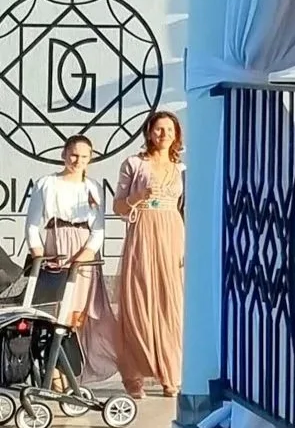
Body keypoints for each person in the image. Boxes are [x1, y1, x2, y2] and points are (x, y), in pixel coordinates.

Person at [22, 134, 121, 389]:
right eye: (74, 154)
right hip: (55, 248)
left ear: (91, 159)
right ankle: (51, 371)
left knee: (74, 317)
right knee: (54, 313)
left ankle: (69, 372)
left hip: (83, 253)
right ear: (64, 154)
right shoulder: (47, 183)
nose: (78, 160)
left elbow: (98, 229)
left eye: (84, 156)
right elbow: (33, 225)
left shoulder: (93, 187)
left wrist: (82, 257)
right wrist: (40, 256)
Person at [113, 110, 185, 398]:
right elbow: (118, 206)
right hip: (142, 230)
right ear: (149, 132)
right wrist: (137, 197)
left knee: (172, 303)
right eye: (158, 129)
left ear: (177, 134)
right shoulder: (133, 163)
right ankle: (134, 375)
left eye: (169, 129)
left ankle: (170, 373)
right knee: (139, 302)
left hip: (172, 231)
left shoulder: (181, 169)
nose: (163, 135)